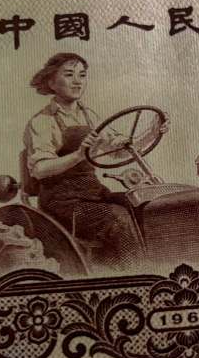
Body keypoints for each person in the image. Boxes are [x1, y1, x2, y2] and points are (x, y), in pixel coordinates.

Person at [22, 53, 145, 271]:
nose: (77, 81)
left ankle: (138, 265)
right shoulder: (42, 122)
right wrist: (79, 155)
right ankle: (138, 274)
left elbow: (118, 151)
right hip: (62, 201)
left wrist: (152, 133)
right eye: (69, 75)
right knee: (117, 219)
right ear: (51, 82)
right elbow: (40, 169)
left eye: (82, 75)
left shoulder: (89, 115)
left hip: (92, 192)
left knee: (140, 206)